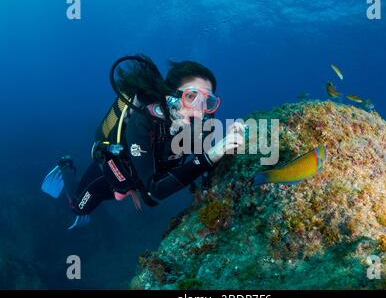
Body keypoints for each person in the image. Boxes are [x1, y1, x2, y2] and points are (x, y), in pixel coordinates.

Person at [41, 55, 244, 229]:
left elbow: (204, 161)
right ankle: (65, 165)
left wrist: (228, 142)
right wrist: (213, 154)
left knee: (128, 189)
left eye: (207, 102)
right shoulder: (143, 122)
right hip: (113, 173)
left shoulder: (203, 124)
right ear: (171, 96)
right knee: (79, 207)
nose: (199, 110)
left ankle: (127, 188)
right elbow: (155, 190)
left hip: (140, 180)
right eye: (191, 97)